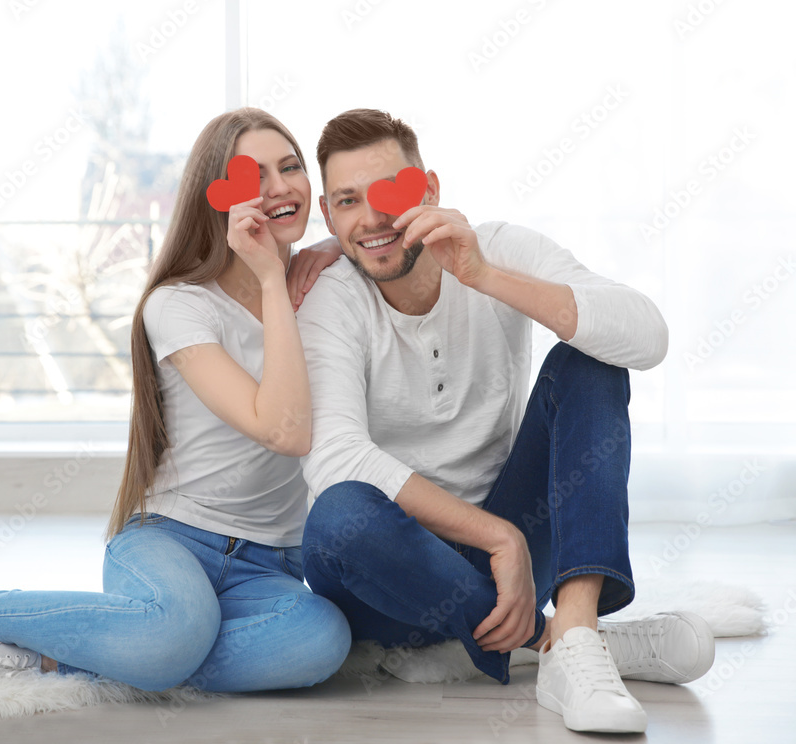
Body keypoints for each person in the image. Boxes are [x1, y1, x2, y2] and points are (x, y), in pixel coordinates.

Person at [0, 108, 351, 693]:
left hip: (271, 562)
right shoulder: (178, 305)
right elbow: (282, 428)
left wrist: (335, 245)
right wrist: (269, 279)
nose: (280, 188)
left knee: (319, 640)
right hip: (171, 539)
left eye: (291, 167)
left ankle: (65, 658)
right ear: (219, 196)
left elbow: (384, 242)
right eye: (254, 176)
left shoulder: (325, 290)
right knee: (174, 631)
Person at [295, 109, 714, 734]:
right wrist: (498, 537)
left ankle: (573, 631)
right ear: (329, 217)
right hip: (394, 573)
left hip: (515, 560)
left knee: (590, 361)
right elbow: (333, 457)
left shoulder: (495, 248)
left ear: (431, 189)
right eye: (349, 202)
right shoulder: (331, 300)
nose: (372, 217)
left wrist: (486, 277)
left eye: (392, 192)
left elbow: (646, 335)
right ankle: (563, 642)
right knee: (337, 516)